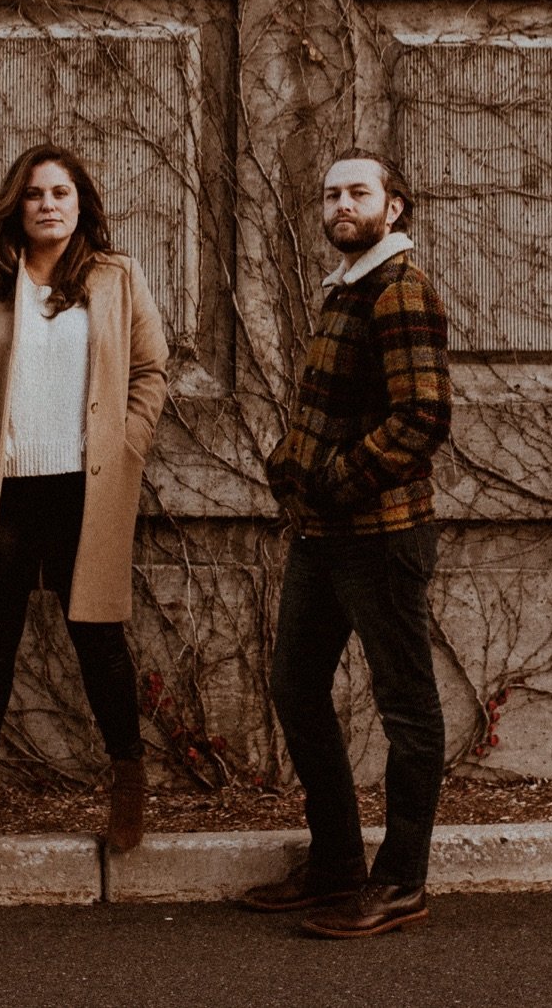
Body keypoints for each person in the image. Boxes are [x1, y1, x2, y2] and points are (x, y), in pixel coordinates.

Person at [0, 143, 171, 859]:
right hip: (2, 492)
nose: (49, 204)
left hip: (85, 491)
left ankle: (127, 784)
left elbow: (151, 368)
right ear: (16, 205)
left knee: (101, 641)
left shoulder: (117, 279)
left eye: (62, 192)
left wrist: (129, 442)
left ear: (82, 202)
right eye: (35, 193)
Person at [240, 151, 453, 938]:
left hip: (382, 536)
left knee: (407, 708)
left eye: (359, 191)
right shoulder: (349, 287)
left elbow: (423, 418)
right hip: (325, 535)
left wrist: (330, 478)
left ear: (394, 206)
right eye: (331, 192)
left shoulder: (400, 290)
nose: (341, 203)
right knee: (295, 686)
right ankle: (336, 862)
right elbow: (330, 408)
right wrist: (290, 466)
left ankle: (401, 881)